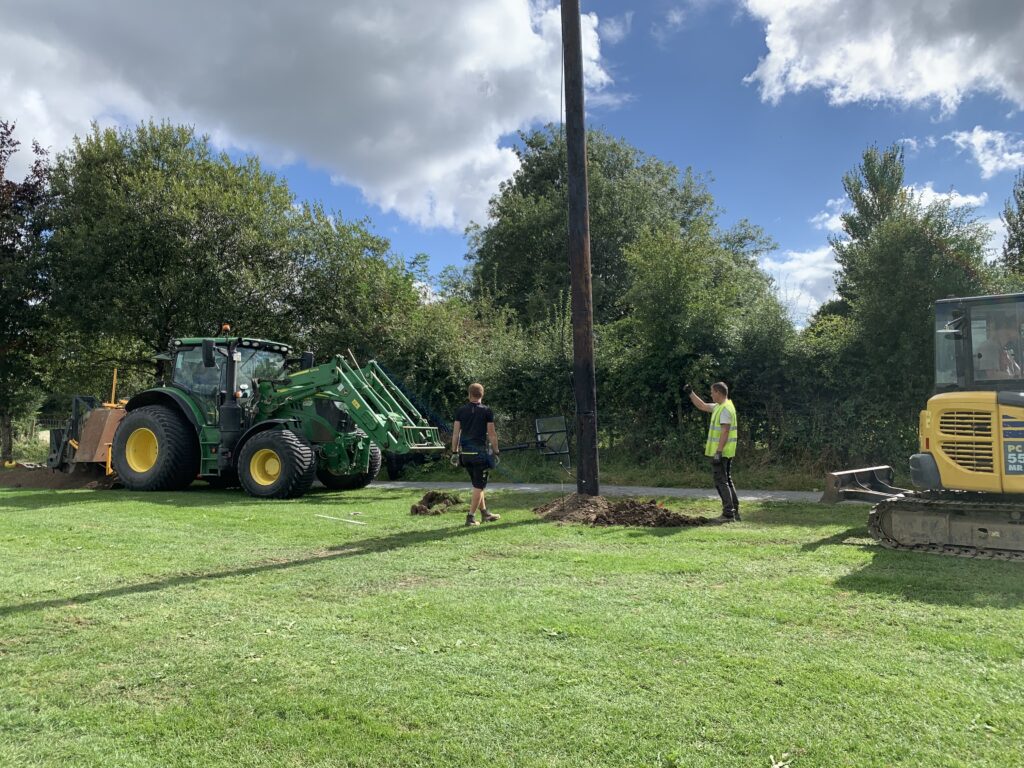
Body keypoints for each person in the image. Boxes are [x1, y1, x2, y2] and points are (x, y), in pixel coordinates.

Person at [684, 381, 740, 522]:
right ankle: (734, 511)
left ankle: (728, 514)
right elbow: (702, 406)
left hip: (722, 452)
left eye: (712, 392)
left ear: (718, 393)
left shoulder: (725, 409)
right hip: (726, 452)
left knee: (721, 481)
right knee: (727, 480)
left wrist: (718, 452)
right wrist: (691, 393)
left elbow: (725, 431)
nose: (711, 394)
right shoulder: (720, 406)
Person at [451, 383, 501, 526]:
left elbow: (456, 434)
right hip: (479, 455)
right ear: (482, 395)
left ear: (469, 395)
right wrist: (496, 451)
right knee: (479, 486)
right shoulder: (486, 411)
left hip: (465, 455)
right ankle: (470, 517)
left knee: (477, 485)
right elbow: (492, 434)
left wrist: (454, 452)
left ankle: (485, 514)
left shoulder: (461, 411)